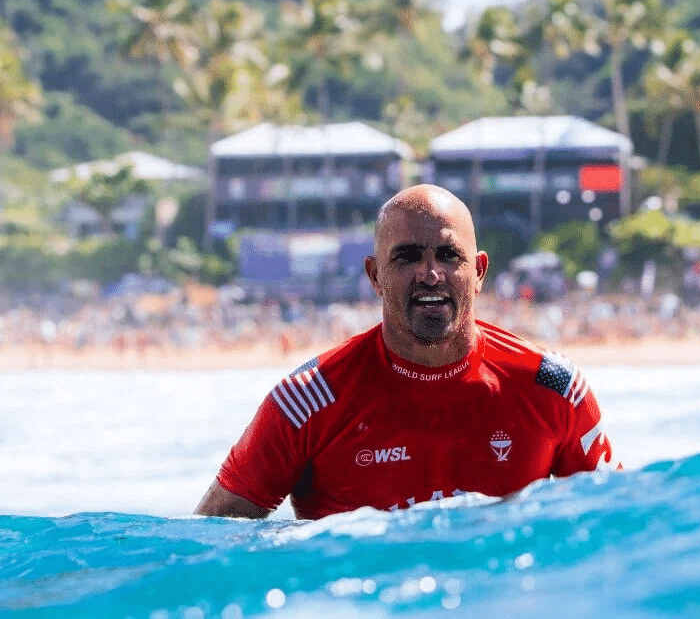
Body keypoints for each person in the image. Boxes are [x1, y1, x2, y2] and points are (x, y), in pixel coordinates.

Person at [195, 184, 613, 520]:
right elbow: (211, 547)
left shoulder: (555, 390)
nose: (431, 274)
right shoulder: (305, 403)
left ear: (479, 271)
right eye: (408, 256)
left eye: (449, 255)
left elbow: (617, 531)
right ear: (375, 275)